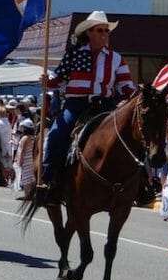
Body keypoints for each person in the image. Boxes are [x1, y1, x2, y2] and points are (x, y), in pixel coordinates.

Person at [38, 11, 136, 206]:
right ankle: (49, 183)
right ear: (89, 33)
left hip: (105, 106)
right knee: (57, 135)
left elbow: (125, 86)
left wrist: (139, 93)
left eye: (106, 30)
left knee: (130, 137)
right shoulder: (74, 54)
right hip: (76, 104)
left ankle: (141, 185)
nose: (104, 34)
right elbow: (59, 80)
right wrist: (47, 82)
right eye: (100, 30)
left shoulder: (116, 59)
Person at [14, 118, 36, 200]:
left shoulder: (25, 138)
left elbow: (22, 150)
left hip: (25, 158)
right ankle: (31, 194)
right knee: (30, 177)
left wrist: (20, 160)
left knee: (26, 177)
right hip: (30, 158)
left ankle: (27, 195)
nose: (21, 128)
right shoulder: (32, 137)